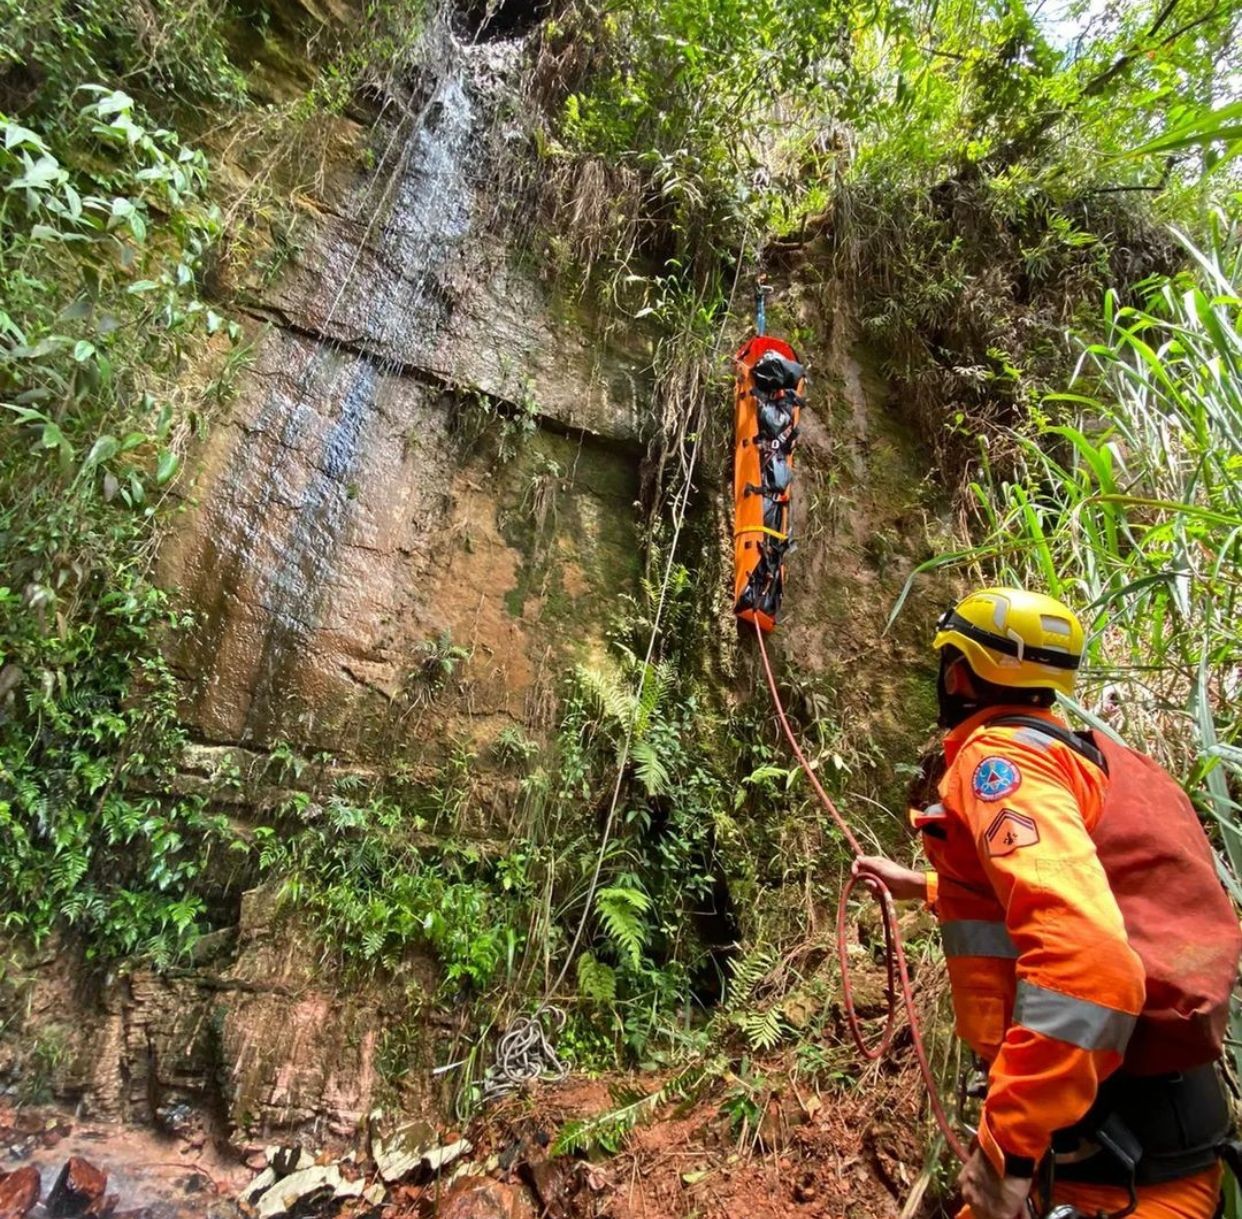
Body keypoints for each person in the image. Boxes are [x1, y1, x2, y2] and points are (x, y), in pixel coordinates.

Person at [854, 587, 1240, 1219]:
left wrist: (1008, 1149)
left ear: (957, 674)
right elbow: (1101, 899)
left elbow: (1091, 967)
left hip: (1107, 1168)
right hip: (1163, 1148)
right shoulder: (1082, 758)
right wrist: (920, 885)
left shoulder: (998, 761)